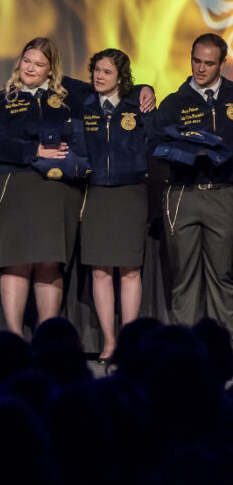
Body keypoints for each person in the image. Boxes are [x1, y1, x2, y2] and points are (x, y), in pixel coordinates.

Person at [0, 37, 88, 335]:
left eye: (40, 64)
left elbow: (108, 85)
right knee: (15, 263)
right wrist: (34, 152)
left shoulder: (72, 95)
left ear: (51, 69)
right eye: (27, 61)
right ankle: (13, 337)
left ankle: (47, 335)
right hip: (15, 186)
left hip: (56, 191)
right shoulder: (4, 99)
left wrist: (144, 90)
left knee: (49, 262)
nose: (31, 68)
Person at [151, 33, 233, 330]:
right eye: (196, 61)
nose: (200, 69)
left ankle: (223, 348)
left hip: (223, 194)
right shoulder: (174, 102)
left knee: (223, 275)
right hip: (183, 194)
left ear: (222, 63)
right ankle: (182, 349)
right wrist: (188, 152)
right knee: (183, 277)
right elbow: (154, 146)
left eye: (209, 63)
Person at [79, 48, 149, 362]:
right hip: (95, 193)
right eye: (96, 70)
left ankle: (130, 341)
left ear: (121, 76)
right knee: (100, 271)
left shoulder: (139, 105)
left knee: (130, 270)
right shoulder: (84, 106)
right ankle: (109, 342)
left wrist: (147, 88)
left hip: (130, 192)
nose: (99, 76)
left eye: (106, 71)